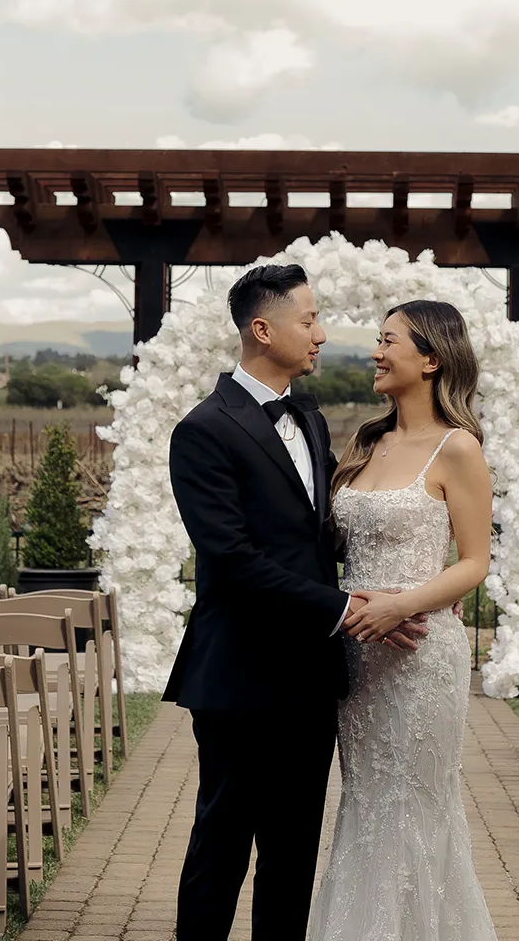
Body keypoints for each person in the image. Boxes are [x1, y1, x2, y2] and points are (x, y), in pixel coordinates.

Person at [163, 264, 429, 941]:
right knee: (221, 844)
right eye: (308, 320)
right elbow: (235, 560)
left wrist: (411, 577)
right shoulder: (203, 430)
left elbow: (317, 535)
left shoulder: (309, 417)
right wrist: (345, 608)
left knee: (293, 855)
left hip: (311, 675)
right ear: (263, 328)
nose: (321, 333)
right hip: (239, 676)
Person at [308, 299, 499, 941]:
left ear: (431, 357)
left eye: (388, 340)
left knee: (415, 806)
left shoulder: (459, 449)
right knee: (366, 805)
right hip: (359, 659)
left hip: (420, 655)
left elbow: (474, 563)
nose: (375, 352)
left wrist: (403, 603)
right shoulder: (367, 443)